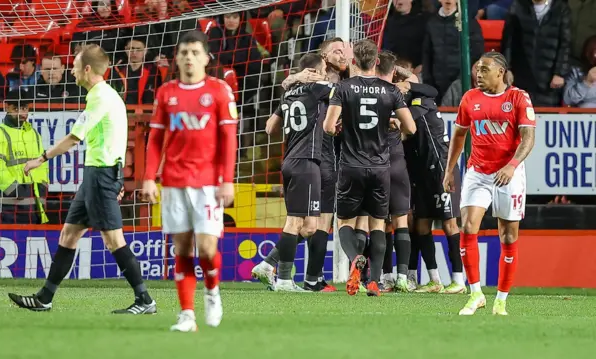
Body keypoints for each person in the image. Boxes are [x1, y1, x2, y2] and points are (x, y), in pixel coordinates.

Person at [8, 44, 157, 315]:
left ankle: (145, 299)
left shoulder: (100, 97)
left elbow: (75, 138)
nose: (73, 70)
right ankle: (45, 297)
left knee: (114, 240)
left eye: (75, 65)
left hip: (100, 176)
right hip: (97, 175)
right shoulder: (107, 95)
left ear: (87, 69)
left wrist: (41, 159)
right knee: (69, 234)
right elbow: (116, 139)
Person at [141, 30, 237, 332]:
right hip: (174, 181)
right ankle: (186, 315)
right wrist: (148, 178)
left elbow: (228, 138)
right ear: (176, 58)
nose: (189, 58)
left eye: (195, 52)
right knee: (181, 249)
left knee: (207, 249)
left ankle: (212, 292)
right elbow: (155, 138)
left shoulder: (220, 91)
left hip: (208, 182)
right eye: (184, 53)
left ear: (206, 58)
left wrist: (227, 180)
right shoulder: (166, 93)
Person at [251, 38, 349, 292]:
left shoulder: (291, 92)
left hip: (291, 159)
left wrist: (291, 81)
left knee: (307, 226)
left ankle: (270, 266)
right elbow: (343, 93)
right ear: (319, 68)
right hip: (309, 161)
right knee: (299, 223)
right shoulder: (319, 88)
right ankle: (284, 278)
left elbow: (269, 127)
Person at [443, 51, 536, 315]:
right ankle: (475, 294)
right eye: (477, 70)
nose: (478, 75)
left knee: (508, 235)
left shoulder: (518, 97)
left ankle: (501, 300)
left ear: (500, 72)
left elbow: (528, 138)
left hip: (509, 174)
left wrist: (512, 165)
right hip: (478, 172)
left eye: (484, 70)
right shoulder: (469, 98)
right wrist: (450, 170)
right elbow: (459, 136)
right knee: (468, 227)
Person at [324, 43, 416, 297]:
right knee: (377, 224)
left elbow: (329, 127)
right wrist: (392, 123)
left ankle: (355, 259)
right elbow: (411, 128)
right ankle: (374, 282)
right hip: (380, 167)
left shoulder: (342, 88)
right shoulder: (390, 90)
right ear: (376, 62)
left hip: (351, 166)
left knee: (344, 221)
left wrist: (343, 125)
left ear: (355, 62)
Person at [401, 72, 466, 295]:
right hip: (421, 175)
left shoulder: (423, 102)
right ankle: (435, 280)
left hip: (441, 169)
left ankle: (458, 279)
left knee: (449, 223)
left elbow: (426, 95)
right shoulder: (406, 103)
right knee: (421, 225)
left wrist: (406, 84)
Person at [0, 90, 49, 225]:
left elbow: (42, 164)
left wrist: (43, 185)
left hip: (34, 202)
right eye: (16, 108)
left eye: (24, 108)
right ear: (6, 107)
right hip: (6, 205)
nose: (21, 113)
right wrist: (14, 190)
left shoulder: (34, 134)